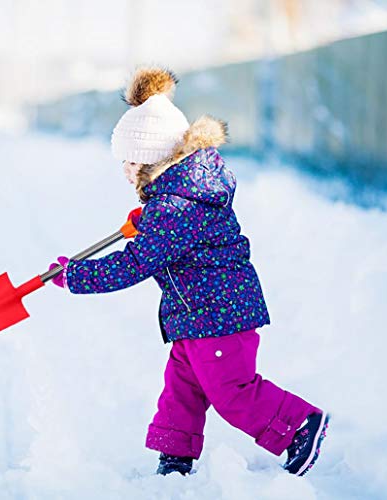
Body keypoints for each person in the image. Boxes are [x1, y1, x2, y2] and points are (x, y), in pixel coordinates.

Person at [50, 66, 329, 477]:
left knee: (232, 392)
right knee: (183, 386)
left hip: (219, 314)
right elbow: (167, 239)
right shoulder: (178, 198)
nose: (125, 172)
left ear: (155, 161)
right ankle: (175, 455)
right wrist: (149, 222)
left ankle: (299, 427)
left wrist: (78, 276)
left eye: (131, 162)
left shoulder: (176, 207)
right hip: (198, 314)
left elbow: (136, 262)